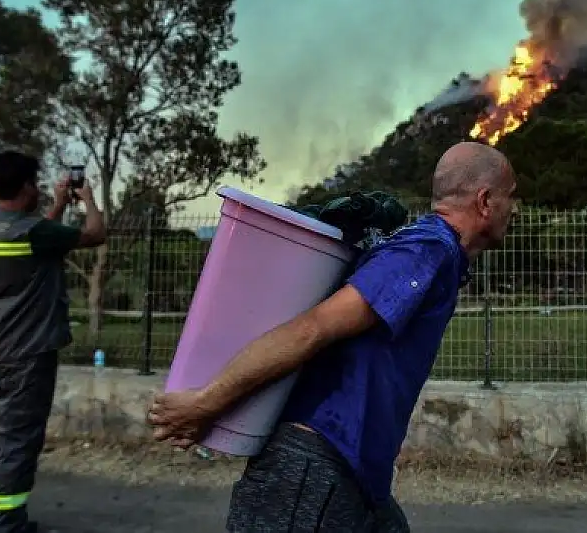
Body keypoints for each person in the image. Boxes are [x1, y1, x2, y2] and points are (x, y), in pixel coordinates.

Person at [148, 141, 517, 532]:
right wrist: (206, 403)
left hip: (353, 475)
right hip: (313, 468)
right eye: (511, 197)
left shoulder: (435, 252)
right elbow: (313, 328)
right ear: (485, 201)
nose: (515, 208)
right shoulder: (427, 249)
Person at [0, 150, 107, 533]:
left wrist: (57, 206)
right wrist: (88, 199)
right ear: (26, 186)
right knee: (20, 438)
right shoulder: (33, 232)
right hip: (28, 351)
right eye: (35, 182)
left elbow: (33, 243)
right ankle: (8, 522)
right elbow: (95, 234)